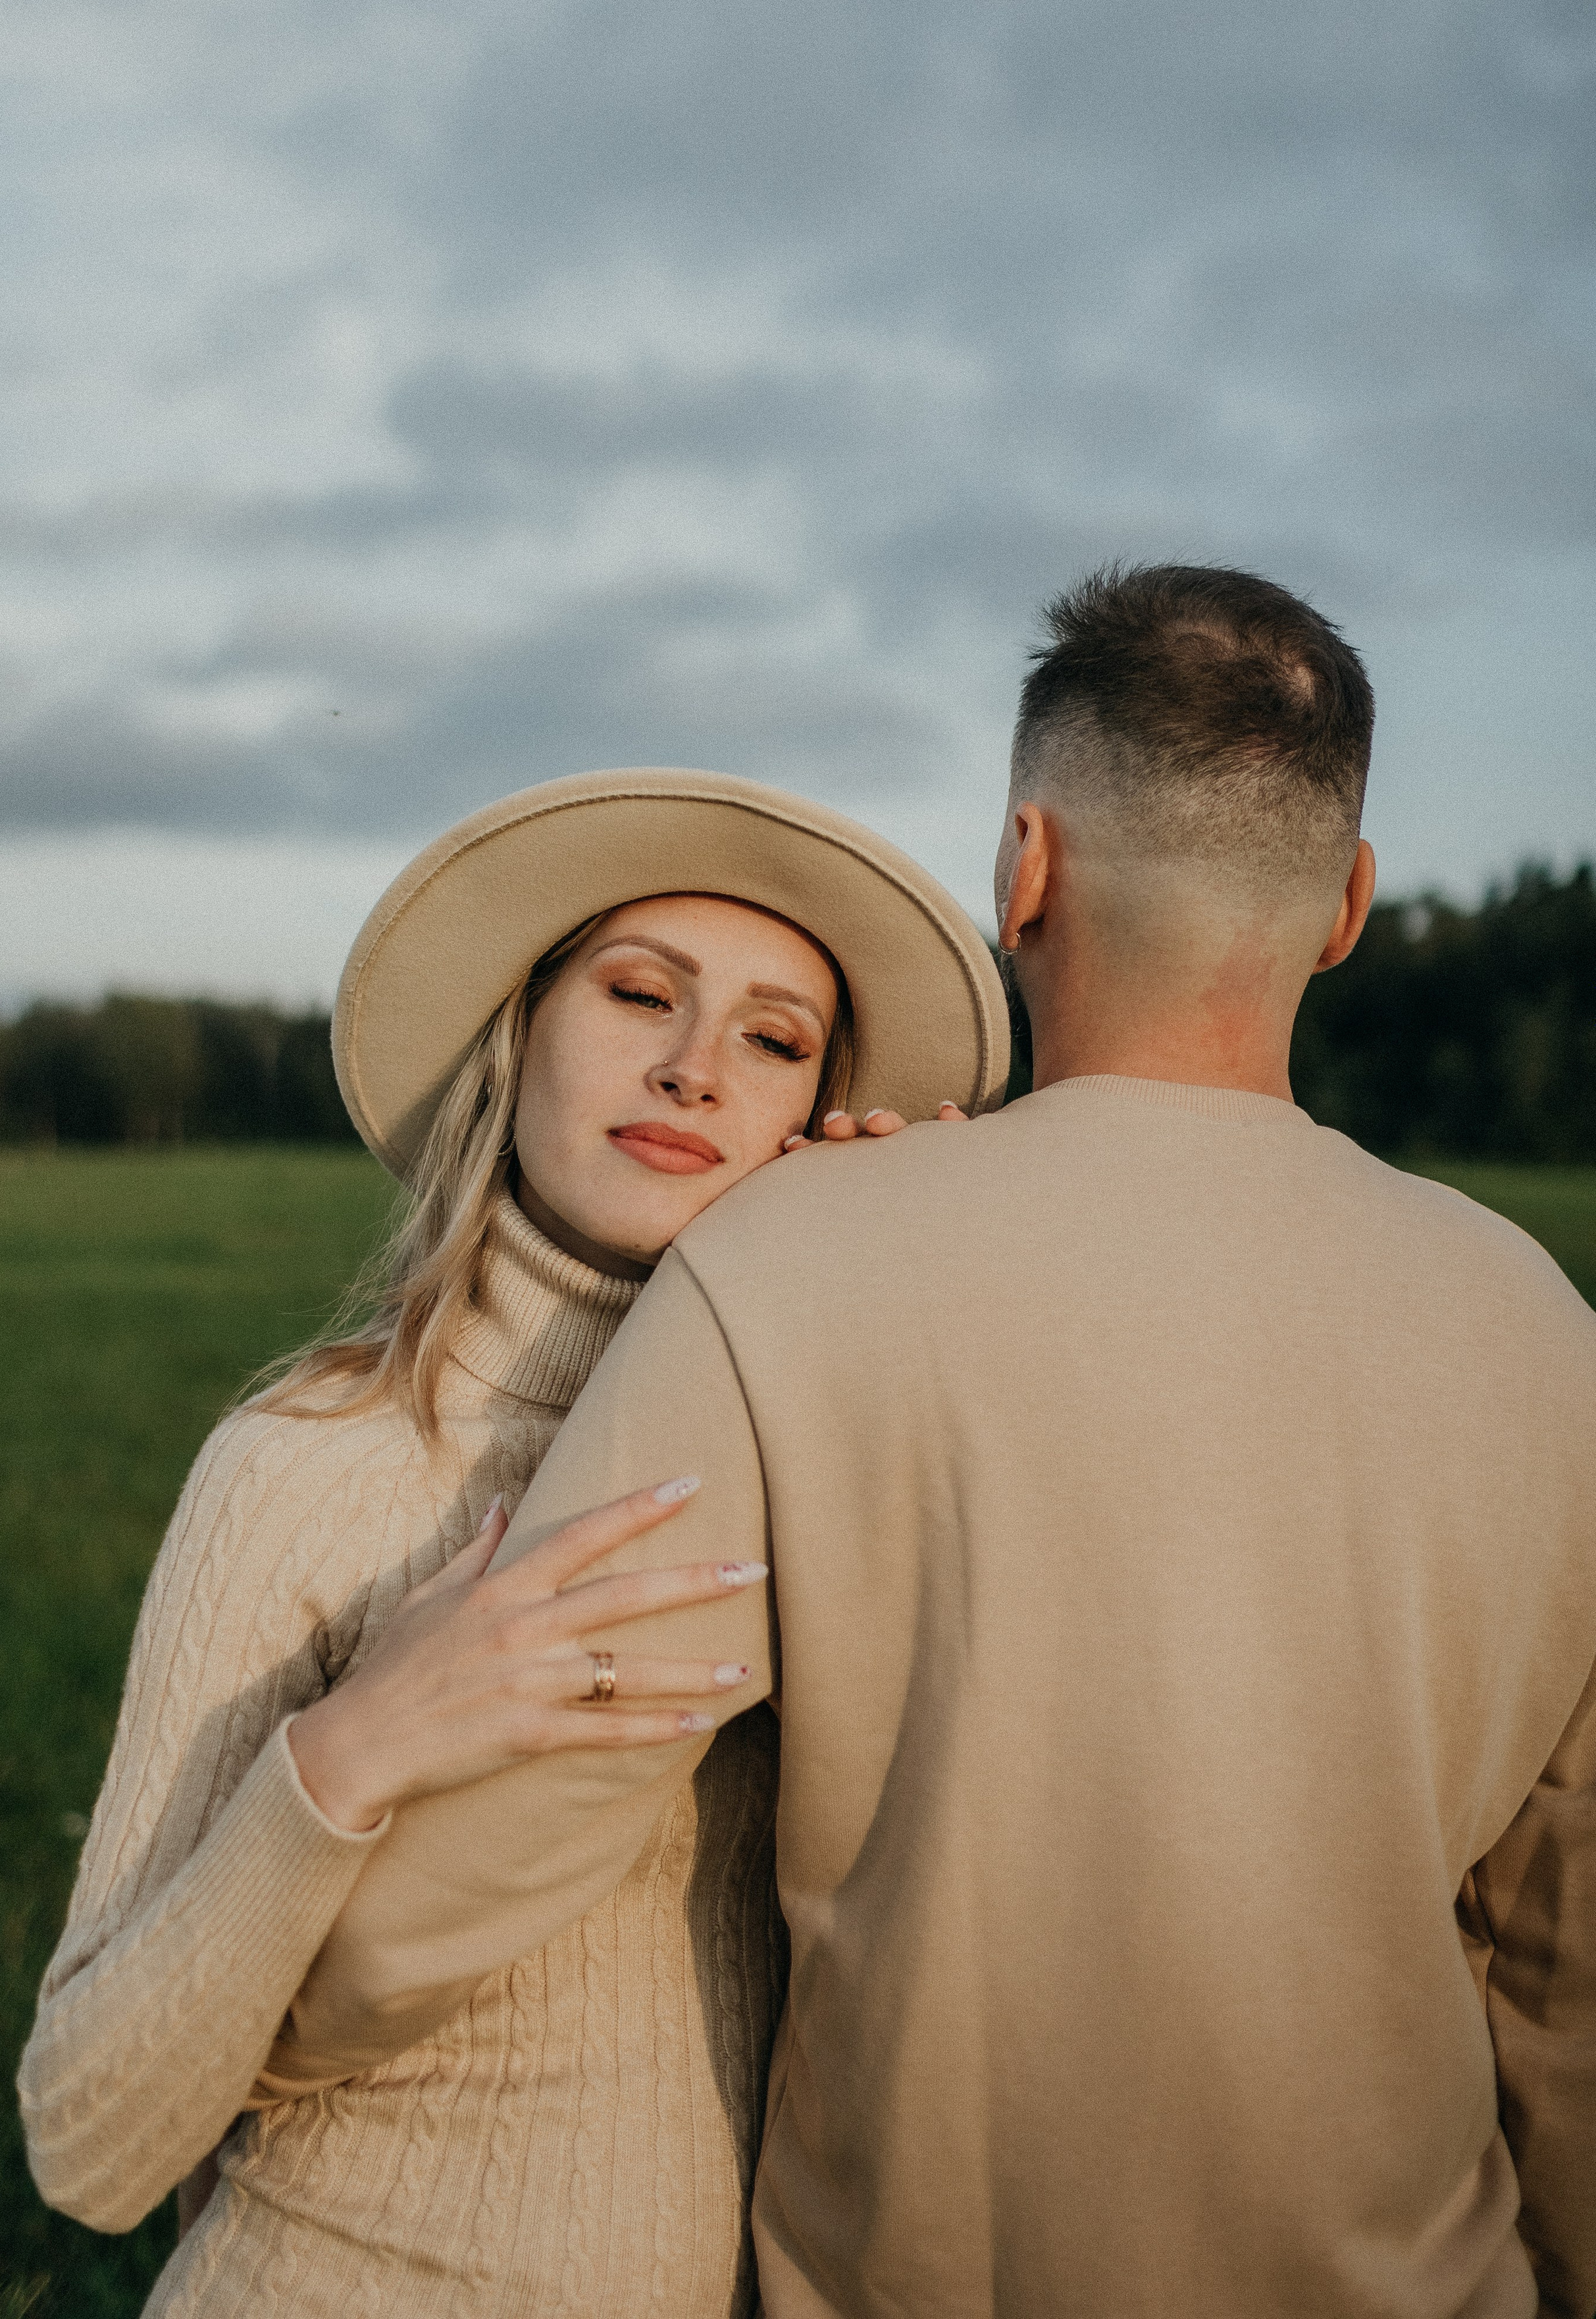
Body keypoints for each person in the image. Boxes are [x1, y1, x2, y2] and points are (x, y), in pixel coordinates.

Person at [284, 568, 1596, 2319]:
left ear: (1021, 867)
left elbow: (509, 1828)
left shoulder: (793, 1254)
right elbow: (1564, 1968)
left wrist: (275, 2021)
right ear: (1347, 905)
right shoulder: (1546, 1330)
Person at [16, 768, 1009, 2316]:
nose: (693, 1069)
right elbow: (87, 2139)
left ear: (815, 1117)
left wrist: (906, 1308)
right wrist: (351, 1746)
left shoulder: (832, 1471)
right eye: (640, 994)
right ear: (520, 1027)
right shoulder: (304, 1466)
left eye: (771, 1040)